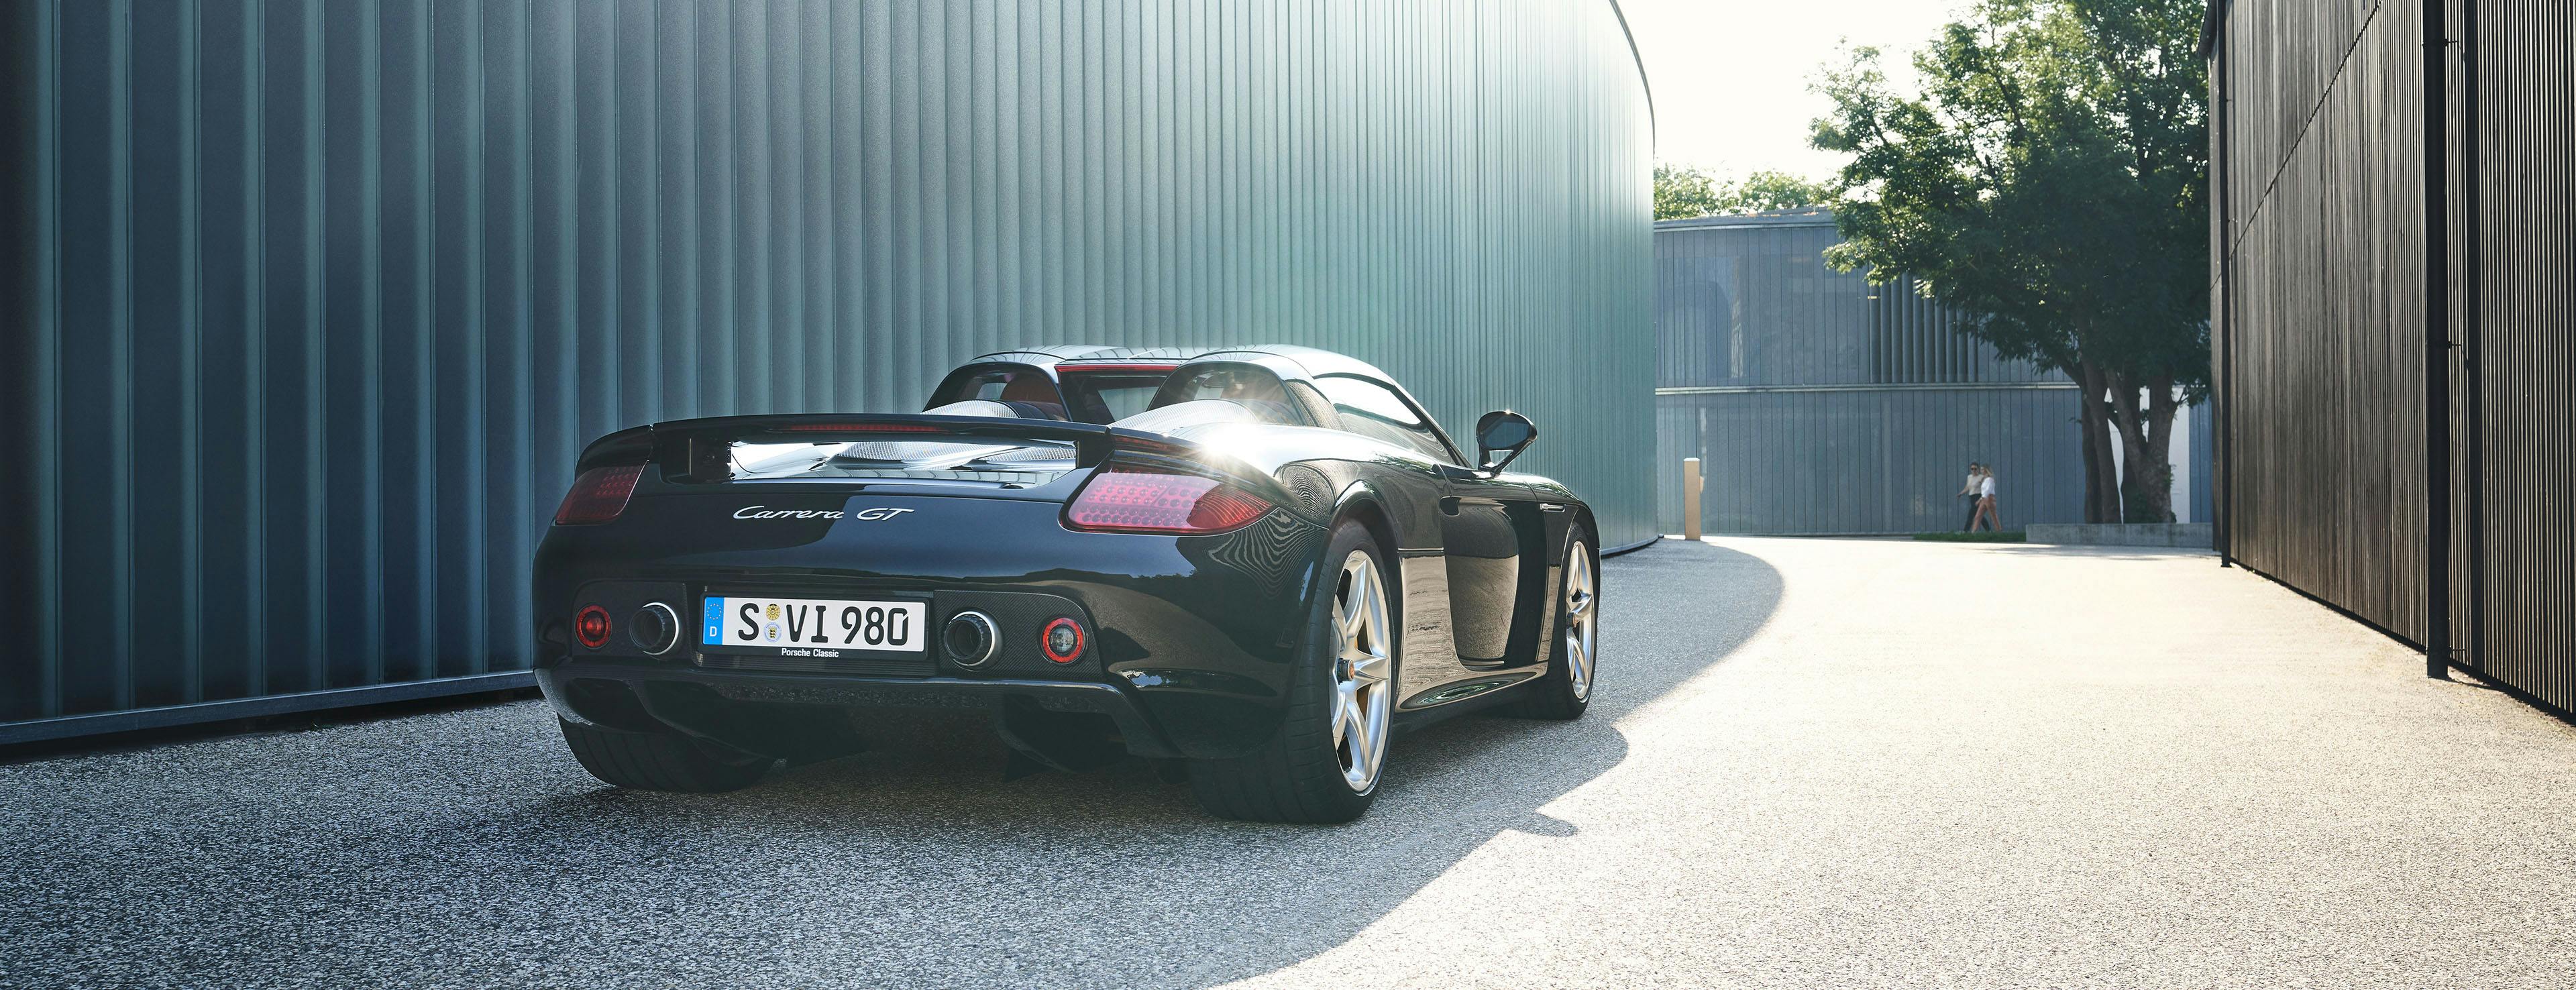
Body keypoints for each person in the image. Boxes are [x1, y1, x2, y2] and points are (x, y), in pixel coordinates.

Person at [1970, 465, 2001, 532]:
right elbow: (1984, 491)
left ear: (1986, 470)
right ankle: (1973, 533)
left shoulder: (1990, 479)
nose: (1981, 471)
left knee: (1993, 517)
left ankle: (1999, 532)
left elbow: (1987, 491)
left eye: (1982, 469)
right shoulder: (1985, 479)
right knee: (1978, 516)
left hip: (1989, 499)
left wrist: (1980, 500)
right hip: (1984, 499)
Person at [1957, 462, 1984, 531]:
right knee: (1979, 515)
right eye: (1972, 469)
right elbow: (1968, 487)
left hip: (1978, 497)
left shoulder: (1981, 477)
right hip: (1972, 497)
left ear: (1978, 469)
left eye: (1975, 469)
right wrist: (1961, 493)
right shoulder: (1969, 477)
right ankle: (1989, 530)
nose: (1974, 470)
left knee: (1971, 515)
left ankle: (1965, 531)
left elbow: (1985, 488)